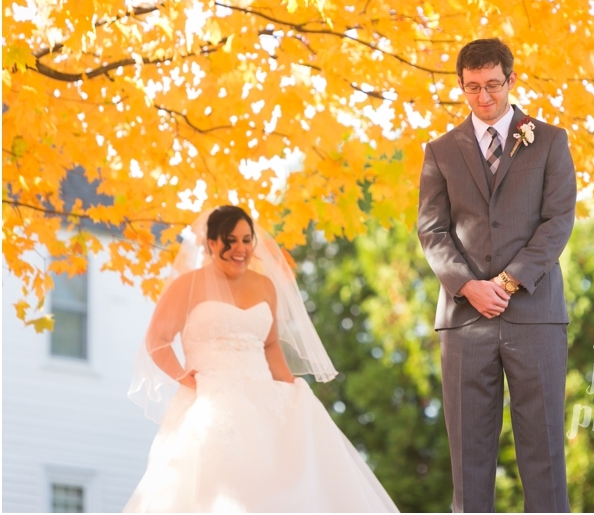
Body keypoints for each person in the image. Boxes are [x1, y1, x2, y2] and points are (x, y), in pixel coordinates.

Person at [124, 205, 398, 513]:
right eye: (231, 240)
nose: (241, 249)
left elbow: (269, 345)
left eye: (246, 240)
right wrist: (184, 376)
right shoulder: (187, 286)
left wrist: (289, 382)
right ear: (212, 243)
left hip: (262, 398)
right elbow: (157, 340)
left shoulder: (265, 286)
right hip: (211, 399)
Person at [417, 38, 576, 512]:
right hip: (465, 322)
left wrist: (506, 284)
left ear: (510, 79)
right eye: (471, 89)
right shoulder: (440, 152)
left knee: (544, 451)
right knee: (469, 459)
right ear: (461, 87)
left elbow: (558, 221)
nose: (483, 98)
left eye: (491, 86)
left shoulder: (549, 140)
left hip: (535, 316)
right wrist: (468, 286)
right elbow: (431, 230)